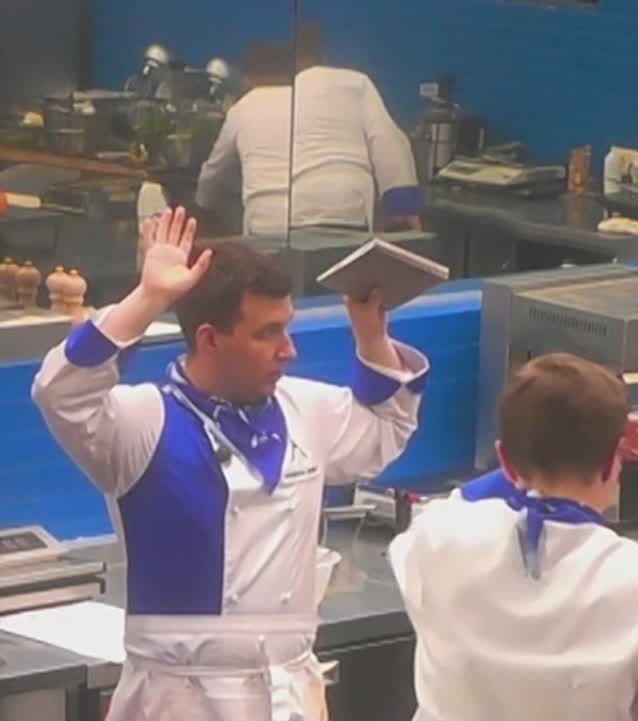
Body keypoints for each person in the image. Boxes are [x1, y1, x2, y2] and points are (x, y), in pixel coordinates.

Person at [31, 207, 428, 721]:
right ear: (209, 339)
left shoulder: (303, 407)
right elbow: (60, 392)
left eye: (287, 329)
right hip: (178, 699)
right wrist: (149, 298)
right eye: (268, 333)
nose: (289, 350)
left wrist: (371, 338)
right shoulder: (144, 421)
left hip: (289, 693)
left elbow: (384, 429)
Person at [388, 353, 638, 721]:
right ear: (613, 463)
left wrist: (530, 456)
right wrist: (593, 437)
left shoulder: (436, 540)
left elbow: (459, 500)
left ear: (505, 461)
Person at [196, 25, 420, 235]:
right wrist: (403, 210)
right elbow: (389, 144)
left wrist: (202, 206)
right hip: (344, 216)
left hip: (266, 226)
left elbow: (212, 176)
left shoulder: (247, 105)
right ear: (322, 54)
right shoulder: (354, 83)